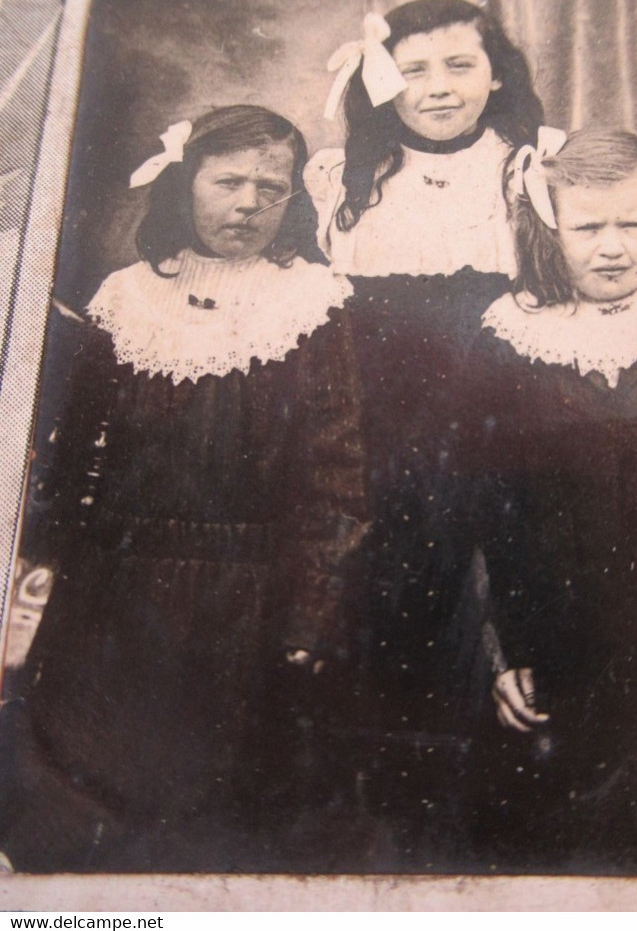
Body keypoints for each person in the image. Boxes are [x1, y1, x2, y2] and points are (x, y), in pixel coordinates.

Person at [0, 105, 368, 873]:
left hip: (242, 607)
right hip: (108, 600)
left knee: (206, 823)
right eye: (228, 181)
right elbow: (68, 469)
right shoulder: (126, 300)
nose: (247, 204)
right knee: (86, 808)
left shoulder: (309, 306)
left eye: (270, 188)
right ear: (183, 186)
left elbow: (335, 482)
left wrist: (306, 616)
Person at [465, 128, 637, 873]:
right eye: (587, 227)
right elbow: (494, 517)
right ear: (547, 232)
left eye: (633, 224)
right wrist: (506, 653)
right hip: (561, 656)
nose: (613, 247)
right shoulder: (512, 340)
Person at [304, 0, 544, 868]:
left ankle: (487, 834)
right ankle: (380, 832)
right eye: (413, 69)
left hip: (498, 427)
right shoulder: (341, 180)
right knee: (381, 614)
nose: (438, 88)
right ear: (379, 80)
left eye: (459, 66)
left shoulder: (526, 173)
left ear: (495, 74)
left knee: (498, 610)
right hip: (375, 440)